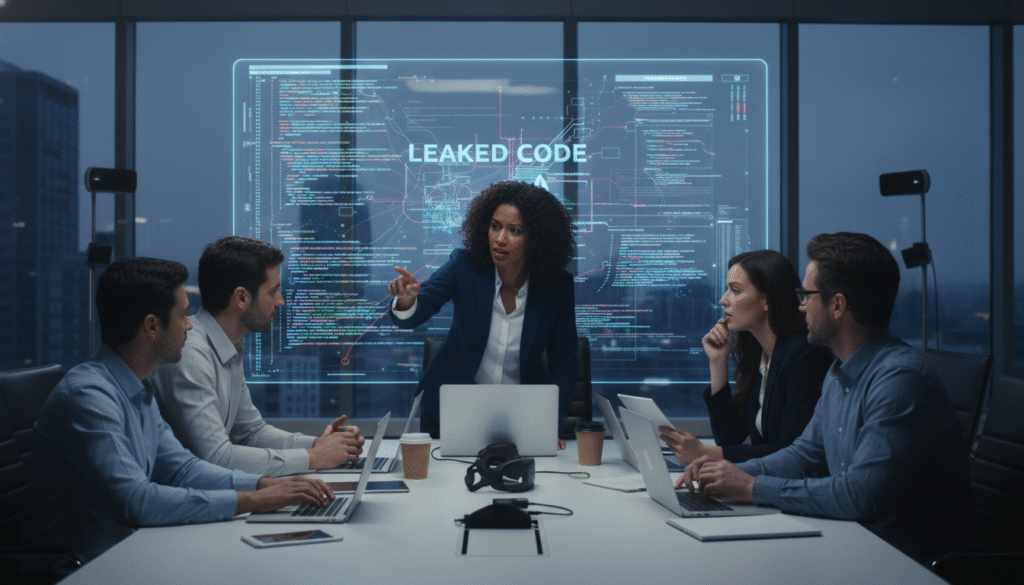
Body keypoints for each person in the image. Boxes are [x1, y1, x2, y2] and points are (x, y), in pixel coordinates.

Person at [678, 232, 975, 564]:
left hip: (908, 560)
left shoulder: (899, 379)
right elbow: (805, 456)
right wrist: (726, 472)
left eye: (807, 295)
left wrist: (750, 486)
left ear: (837, 305)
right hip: (858, 544)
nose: (800, 304)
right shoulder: (839, 372)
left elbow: (861, 496)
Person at [22, 257, 336, 564]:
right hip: (84, 567)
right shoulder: (89, 398)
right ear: (152, 326)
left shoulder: (137, 390)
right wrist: (253, 500)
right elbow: (137, 502)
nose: (190, 325)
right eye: (183, 315)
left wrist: (265, 485)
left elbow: (182, 469)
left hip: (130, 552)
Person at [147, 236, 364, 477]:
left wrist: (320, 445)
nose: (280, 301)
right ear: (241, 298)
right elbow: (216, 457)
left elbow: (251, 433)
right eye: (273, 292)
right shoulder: (190, 354)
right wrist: (313, 458)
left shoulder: (228, 348)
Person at [388, 180, 578, 443]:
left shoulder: (556, 286)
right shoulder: (464, 265)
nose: (500, 239)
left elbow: (564, 363)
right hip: (452, 410)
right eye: (495, 226)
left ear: (536, 238)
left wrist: (549, 424)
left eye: (515, 231)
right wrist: (407, 300)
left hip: (521, 415)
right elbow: (421, 308)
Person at [660, 250, 832, 464]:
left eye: (735, 290)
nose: (723, 300)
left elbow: (792, 452)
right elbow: (729, 439)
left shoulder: (805, 355)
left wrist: (704, 452)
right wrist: (718, 362)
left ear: (767, 299)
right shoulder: (762, 356)